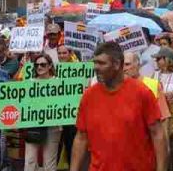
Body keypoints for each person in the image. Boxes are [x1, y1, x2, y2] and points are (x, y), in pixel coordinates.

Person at [71, 42, 167, 171]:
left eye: (101, 63)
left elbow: (158, 134)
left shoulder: (142, 93)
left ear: (117, 64)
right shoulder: (89, 96)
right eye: (95, 62)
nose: (96, 67)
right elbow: (81, 137)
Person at [23, 53, 61, 171]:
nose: (39, 67)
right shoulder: (29, 82)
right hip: (33, 125)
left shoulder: (59, 82)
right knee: (30, 160)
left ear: (50, 66)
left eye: (43, 64)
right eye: (37, 65)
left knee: (49, 162)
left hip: (53, 126)